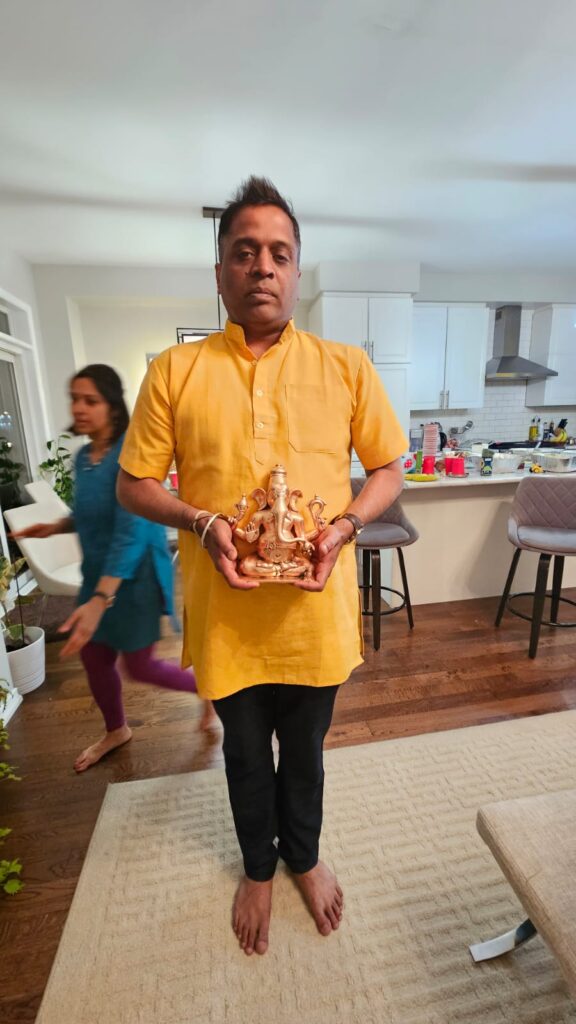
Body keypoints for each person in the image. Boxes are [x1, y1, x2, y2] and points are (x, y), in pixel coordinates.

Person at [116, 178, 407, 956]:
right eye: (245, 253)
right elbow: (134, 483)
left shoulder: (345, 366)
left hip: (315, 613)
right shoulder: (174, 371)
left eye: (279, 253)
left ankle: (302, 858)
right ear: (220, 273)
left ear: (297, 271)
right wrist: (202, 520)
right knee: (244, 754)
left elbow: (389, 468)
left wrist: (344, 526)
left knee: (304, 756)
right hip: (227, 619)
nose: (263, 267)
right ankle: (256, 867)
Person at [12, 364, 214, 773]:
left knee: (139, 666)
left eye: (91, 400)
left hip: (134, 577)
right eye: (74, 399)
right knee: (94, 658)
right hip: (97, 575)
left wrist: (101, 599)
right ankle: (117, 730)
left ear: (112, 405)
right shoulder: (83, 458)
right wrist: (55, 527)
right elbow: (93, 514)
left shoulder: (130, 454)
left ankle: (209, 689)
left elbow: (129, 532)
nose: (79, 408)